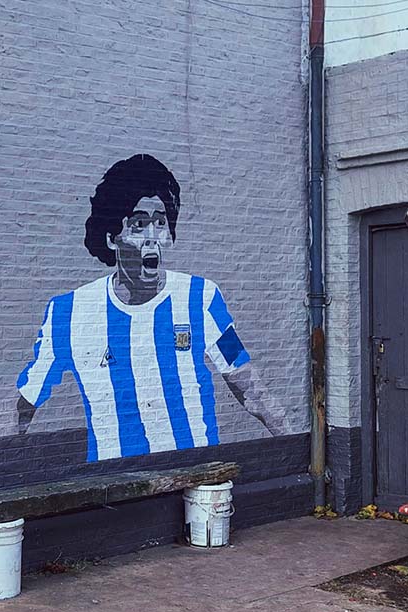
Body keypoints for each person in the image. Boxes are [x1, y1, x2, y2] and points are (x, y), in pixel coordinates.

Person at [16, 154, 287, 461]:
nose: (152, 238)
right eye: (139, 224)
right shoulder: (69, 313)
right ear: (112, 237)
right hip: (115, 477)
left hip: (194, 472)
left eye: (160, 223)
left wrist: (296, 446)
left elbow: (248, 386)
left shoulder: (200, 297)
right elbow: (23, 405)